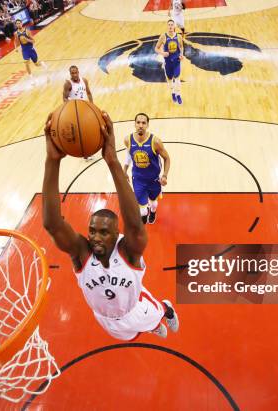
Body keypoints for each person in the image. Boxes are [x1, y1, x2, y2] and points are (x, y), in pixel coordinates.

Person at [42, 110, 180, 341]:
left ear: (117, 234)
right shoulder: (82, 253)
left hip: (136, 307)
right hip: (105, 318)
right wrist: (52, 160)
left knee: (154, 317)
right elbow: (53, 225)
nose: (95, 237)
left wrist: (113, 161)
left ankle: (165, 310)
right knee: (132, 336)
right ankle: (152, 327)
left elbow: (135, 225)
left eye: (104, 232)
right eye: (92, 231)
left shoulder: (129, 251)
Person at [122, 113, 171, 225]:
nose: (140, 125)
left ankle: (153, 212)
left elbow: (167, 158)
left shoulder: (155, 142)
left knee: (153, 203)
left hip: (153, 179)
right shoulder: (128, 140)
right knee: (142, 210)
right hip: (138, 179)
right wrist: (124, 169)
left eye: (143, 123)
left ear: (147, 125)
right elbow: (129, 154)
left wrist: (164, 175)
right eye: (138, 122)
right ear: (134, 124)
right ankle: (144, 217)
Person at [155, 20, 184, 105]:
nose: (170, 26)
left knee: (177, 80)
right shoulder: (163, 36)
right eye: (169, 25)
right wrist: (162, 53)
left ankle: (178, 95)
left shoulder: (178, 36)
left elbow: (181, 47)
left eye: (172, 25)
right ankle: (173, 93)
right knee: (170, 80)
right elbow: (156, 48)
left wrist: (181, 55)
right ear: (167, 26)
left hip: (176, 61)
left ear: (174, 26)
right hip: (168, 62)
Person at [15, 19, 46, 84]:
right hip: (24, 50)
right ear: (16, 25)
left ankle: (42, 63)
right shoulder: (16, 33)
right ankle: (31, 78)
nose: (18, 24)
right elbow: (16, 41)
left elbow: (33, 41)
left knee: (36, 64)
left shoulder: (27, 31)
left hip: (31, 48)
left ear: (21, 23)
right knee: (26, 63)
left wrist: (27, 39)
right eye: (17, 23)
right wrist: (16, 48)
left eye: (19, 23)